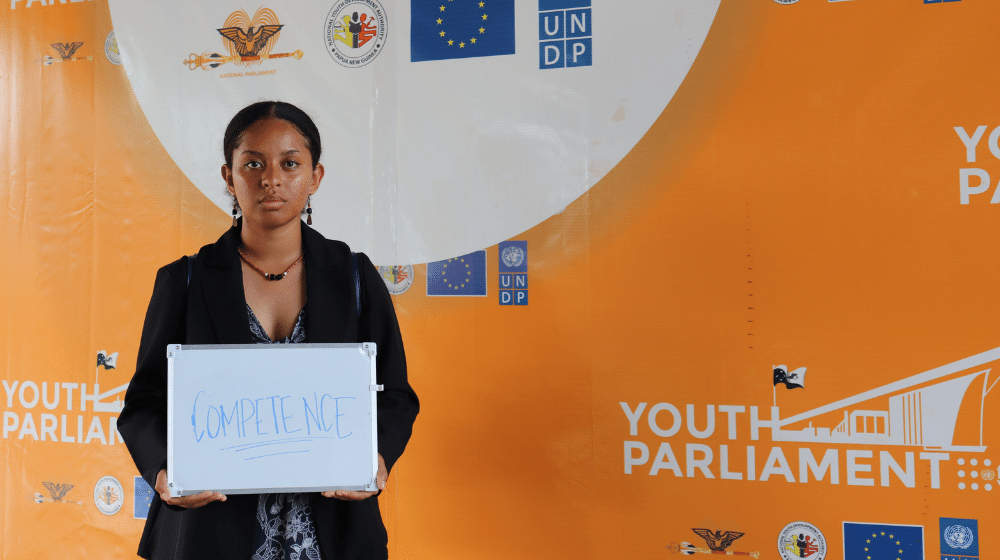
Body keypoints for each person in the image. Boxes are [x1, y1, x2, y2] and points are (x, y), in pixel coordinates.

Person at [118, 101, 419, 560]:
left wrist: (375, 458)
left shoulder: (354, 276)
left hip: (332, 531)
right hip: (209, 532)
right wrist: (163, 471)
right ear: (228, 176)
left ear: (315, 176)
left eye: (290, 163)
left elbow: (395, 395)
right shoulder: (184, 280)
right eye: (252, 163)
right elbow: (142, 404)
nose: (270, 178)